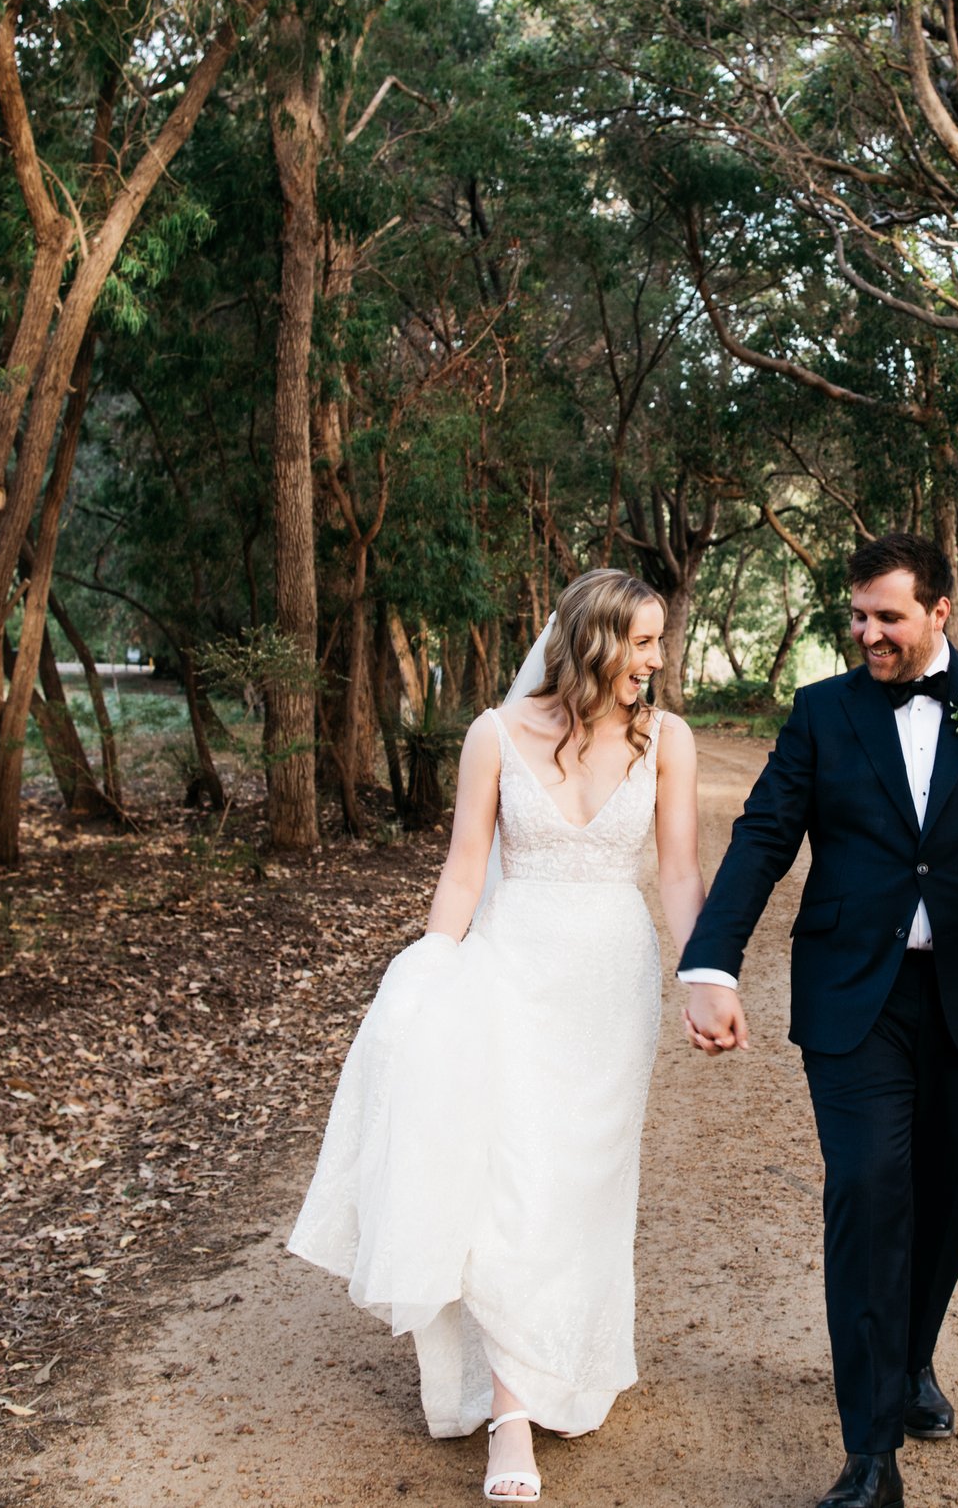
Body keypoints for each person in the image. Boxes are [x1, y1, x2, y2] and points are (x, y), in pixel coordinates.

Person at [679, 532, 958, 1508]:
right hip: (854, 995)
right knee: (868, 1191)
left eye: (887, 616)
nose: (866, 631)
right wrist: (710, 961)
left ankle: (910, 1358)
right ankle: (870, 1452)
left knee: (952, 1192)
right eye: (856, 615)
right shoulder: (821, 714)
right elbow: (762, 837)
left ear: (939, 611)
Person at [289, 569, 706, 1504]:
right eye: (641, 640)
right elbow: (465, 871)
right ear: (592, 639)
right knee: (513, 1179)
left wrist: (704, 972)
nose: (656, 657)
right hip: (511, 973)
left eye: (657, 640)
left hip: (613, 984)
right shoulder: (496, 734)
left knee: (584, 1186)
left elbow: (678, 876)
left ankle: (560, 1357)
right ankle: (509, 1413)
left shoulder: (667, 740)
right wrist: (427, 974)